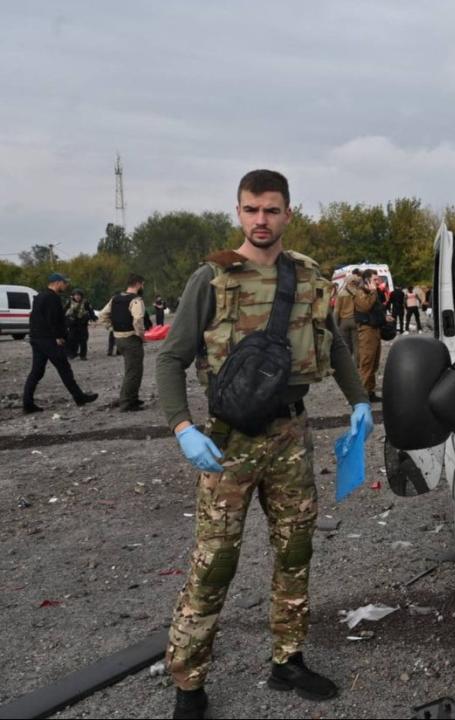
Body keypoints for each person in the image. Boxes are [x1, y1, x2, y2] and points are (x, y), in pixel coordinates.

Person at [155, 169, 372, 720]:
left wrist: (360, 401)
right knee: (214, 563)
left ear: (288, 214)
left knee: (295, 552)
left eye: (271, 210)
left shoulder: (308, 277)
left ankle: (287, 659)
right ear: (238, 212)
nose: (261, 221)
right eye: (251, 210)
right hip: (227, 441)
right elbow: (170, 358)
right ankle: (189, 683)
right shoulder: (212, 279)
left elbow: (334, 346)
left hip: (290, 436)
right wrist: (183, 428)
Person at [21, 273, 98, 413]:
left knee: (37, 372)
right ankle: (79, 397)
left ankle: (27, 404)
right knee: (64, 368)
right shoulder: (52, 298)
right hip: (48, 340)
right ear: (57, 283)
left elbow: (35, 318)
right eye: (64, 283)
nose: (66, 285)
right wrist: (59, 336)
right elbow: (54, 319)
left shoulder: (39, 297)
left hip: (37, 339)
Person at [100, 274, 147, 412]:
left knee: (131, 370)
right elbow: (138, 320)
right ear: (138, 284)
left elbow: (102, 315)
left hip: (118, 339)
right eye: (142, 284)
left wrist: (111, 328)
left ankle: (132, 398)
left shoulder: (115, 298)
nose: (143, 287)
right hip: (131, 339)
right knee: (134, 371)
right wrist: (142, 336)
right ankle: (127, 403)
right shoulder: (136, 300)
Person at [354, 269, 387, 402]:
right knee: (367, 363)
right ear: (367, 280)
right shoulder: (360, 292)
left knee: (373, 364)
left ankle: (370, 392)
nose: (377, 282)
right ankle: (361, 396)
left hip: (374, 330)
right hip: (367, 331)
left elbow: (375, 309)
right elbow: (365, 307)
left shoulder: (371, 292)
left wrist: (385, 317)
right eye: (374, 279)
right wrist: (373, 291)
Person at [333, 270, 362, 356]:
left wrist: (335, 324)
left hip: (344, 322)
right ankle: (356, 365)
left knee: (346, 345)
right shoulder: (359, 293)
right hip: (355, 321)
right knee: (356, 345)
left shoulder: (341, 294)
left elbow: (336, 310)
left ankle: (348, 365)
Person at [64, 289, 95, 360]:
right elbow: (64, 310)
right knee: (71, 339)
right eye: (76, 295)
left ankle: (83, 355)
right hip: (72, 324)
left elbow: (90, 310)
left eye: (79, 295)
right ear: (73, 296)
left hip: (82, 323)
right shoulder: (69, 302)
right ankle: (72, 354)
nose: (77, 297)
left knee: (83, 340)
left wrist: (93, 317)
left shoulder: (85, 302)